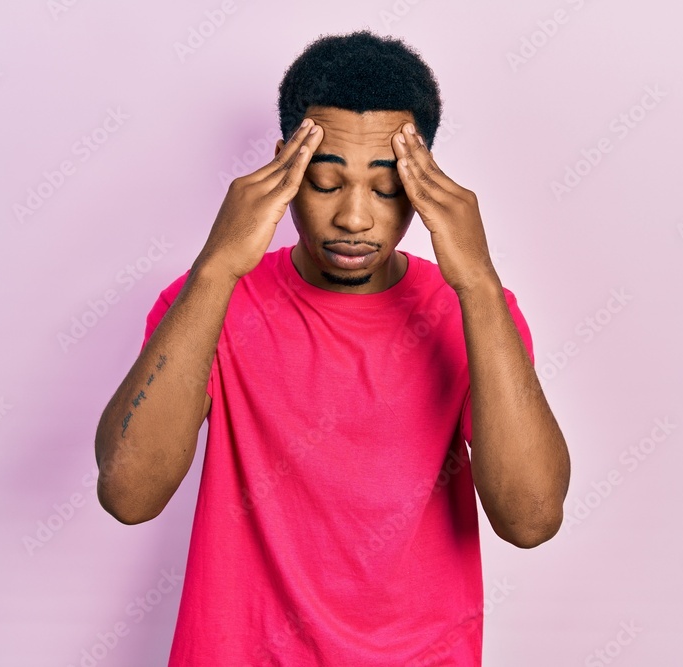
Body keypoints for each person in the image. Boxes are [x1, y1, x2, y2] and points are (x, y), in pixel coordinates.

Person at [94, 29, 571, 666]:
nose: (354, 218)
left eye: (386, 187)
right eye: (324, 182)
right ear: (284, 170)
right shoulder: (209, 301)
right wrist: (215, 268)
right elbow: (128, 495)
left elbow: (531, 519)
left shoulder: (473, 313)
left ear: (424, 181)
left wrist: (479, 283)